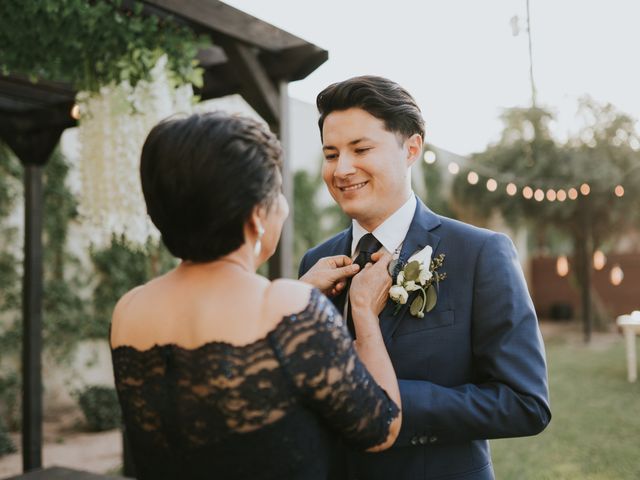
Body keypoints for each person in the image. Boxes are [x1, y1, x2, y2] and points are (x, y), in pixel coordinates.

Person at [109, 111, 402, 480]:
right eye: (276, 192)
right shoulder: (288, 307)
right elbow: (381, 427)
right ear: (256, 216)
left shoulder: (129, 309)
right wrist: (363, 310)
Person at [299, 76, 551, 480]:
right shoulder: (316, 263)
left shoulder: (480, 254)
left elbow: (525, 403)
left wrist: (390, 403)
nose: (342, 169)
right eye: (331, 154)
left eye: (361, 149)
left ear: (411, 148)